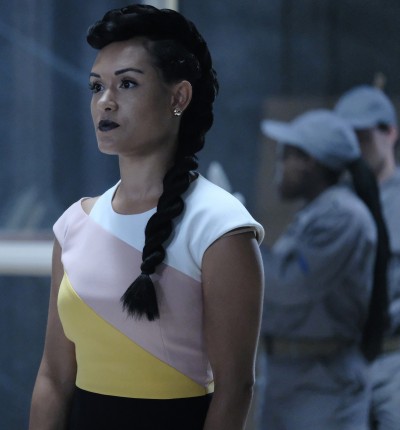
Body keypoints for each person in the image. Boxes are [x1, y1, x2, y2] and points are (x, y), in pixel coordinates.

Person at [29, 5, 265, 430]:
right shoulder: (74, 225)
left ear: (179, 97)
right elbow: (53, 376)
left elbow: (236, 389)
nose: (105, 101)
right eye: (96, 86)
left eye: (127, 83)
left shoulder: (220, 228)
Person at [259, 109, 389, 430]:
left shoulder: (342, 216)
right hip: (294, 378)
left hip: (322, 387)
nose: (279, 167)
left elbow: (288, 284)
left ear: (310, 161)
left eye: (285, 157)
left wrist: (237, 241)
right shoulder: (317, 214)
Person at [335, 85, 400, 430]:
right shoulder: (333, 206)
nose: (355, 149)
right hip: (343, 365)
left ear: (390, 133)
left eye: (363, 137)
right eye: (346, 140)